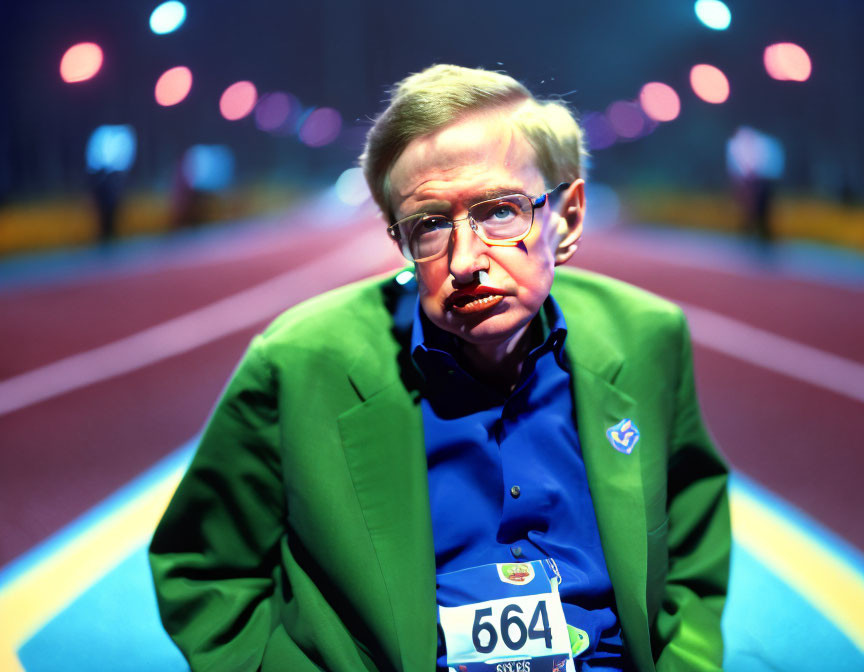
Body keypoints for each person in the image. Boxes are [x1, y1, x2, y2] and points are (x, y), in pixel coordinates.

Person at [150, 64, 730, 672]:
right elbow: (204, 569)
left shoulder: (646, 338)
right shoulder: (299, 362)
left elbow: (691, 551)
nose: (465, 260)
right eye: (428, 226)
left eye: (500, 211)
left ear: (569, 217)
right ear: (400, 240)